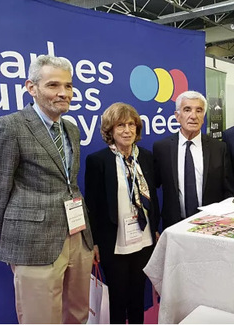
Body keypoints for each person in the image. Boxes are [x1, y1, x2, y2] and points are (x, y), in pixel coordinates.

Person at [0, 55, 94, 323]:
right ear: (32, 87)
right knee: (40, 319)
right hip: (32, 244)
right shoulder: (9, 126)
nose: (63, 93)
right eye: (53, 85)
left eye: (68, 86)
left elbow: (70, 183)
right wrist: (13, 243)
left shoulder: (71, 129)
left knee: (78, 314)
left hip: (77, 236)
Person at [85, 103, 159, 324]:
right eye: (120, 125)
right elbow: (93, 206)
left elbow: (152, 195)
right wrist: (94, 242)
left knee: (138, 294)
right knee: (118, 297)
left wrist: (154, 227)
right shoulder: (98, 161)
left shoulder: (145, 157)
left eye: (131, 125)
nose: (127, 130)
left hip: (143, 238)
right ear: (110, 130)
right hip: (114, 242)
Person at [153, 90, 234, 229]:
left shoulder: (219, 148)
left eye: (199, 110)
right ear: (177, 116)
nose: (193, 116)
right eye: (187, 110)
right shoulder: (162, 148)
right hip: (175, 225)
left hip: (212, 224)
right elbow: (153, 187)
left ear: (204, 116)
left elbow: (229, 190)